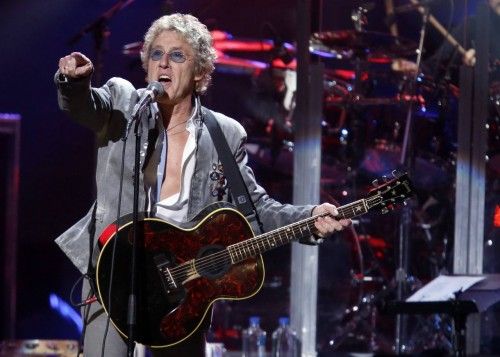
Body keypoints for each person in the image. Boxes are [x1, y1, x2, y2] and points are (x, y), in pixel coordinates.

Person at [55, 13, 350, 357]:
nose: (164, 63)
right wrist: (72, 82)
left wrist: (310, 216)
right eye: (156, 54)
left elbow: (255, 210)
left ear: (200, 72)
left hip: (180, 287)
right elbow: (85, 106)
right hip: (113, 272)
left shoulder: (223, 134)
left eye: (177, 55)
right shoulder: (123, 103)